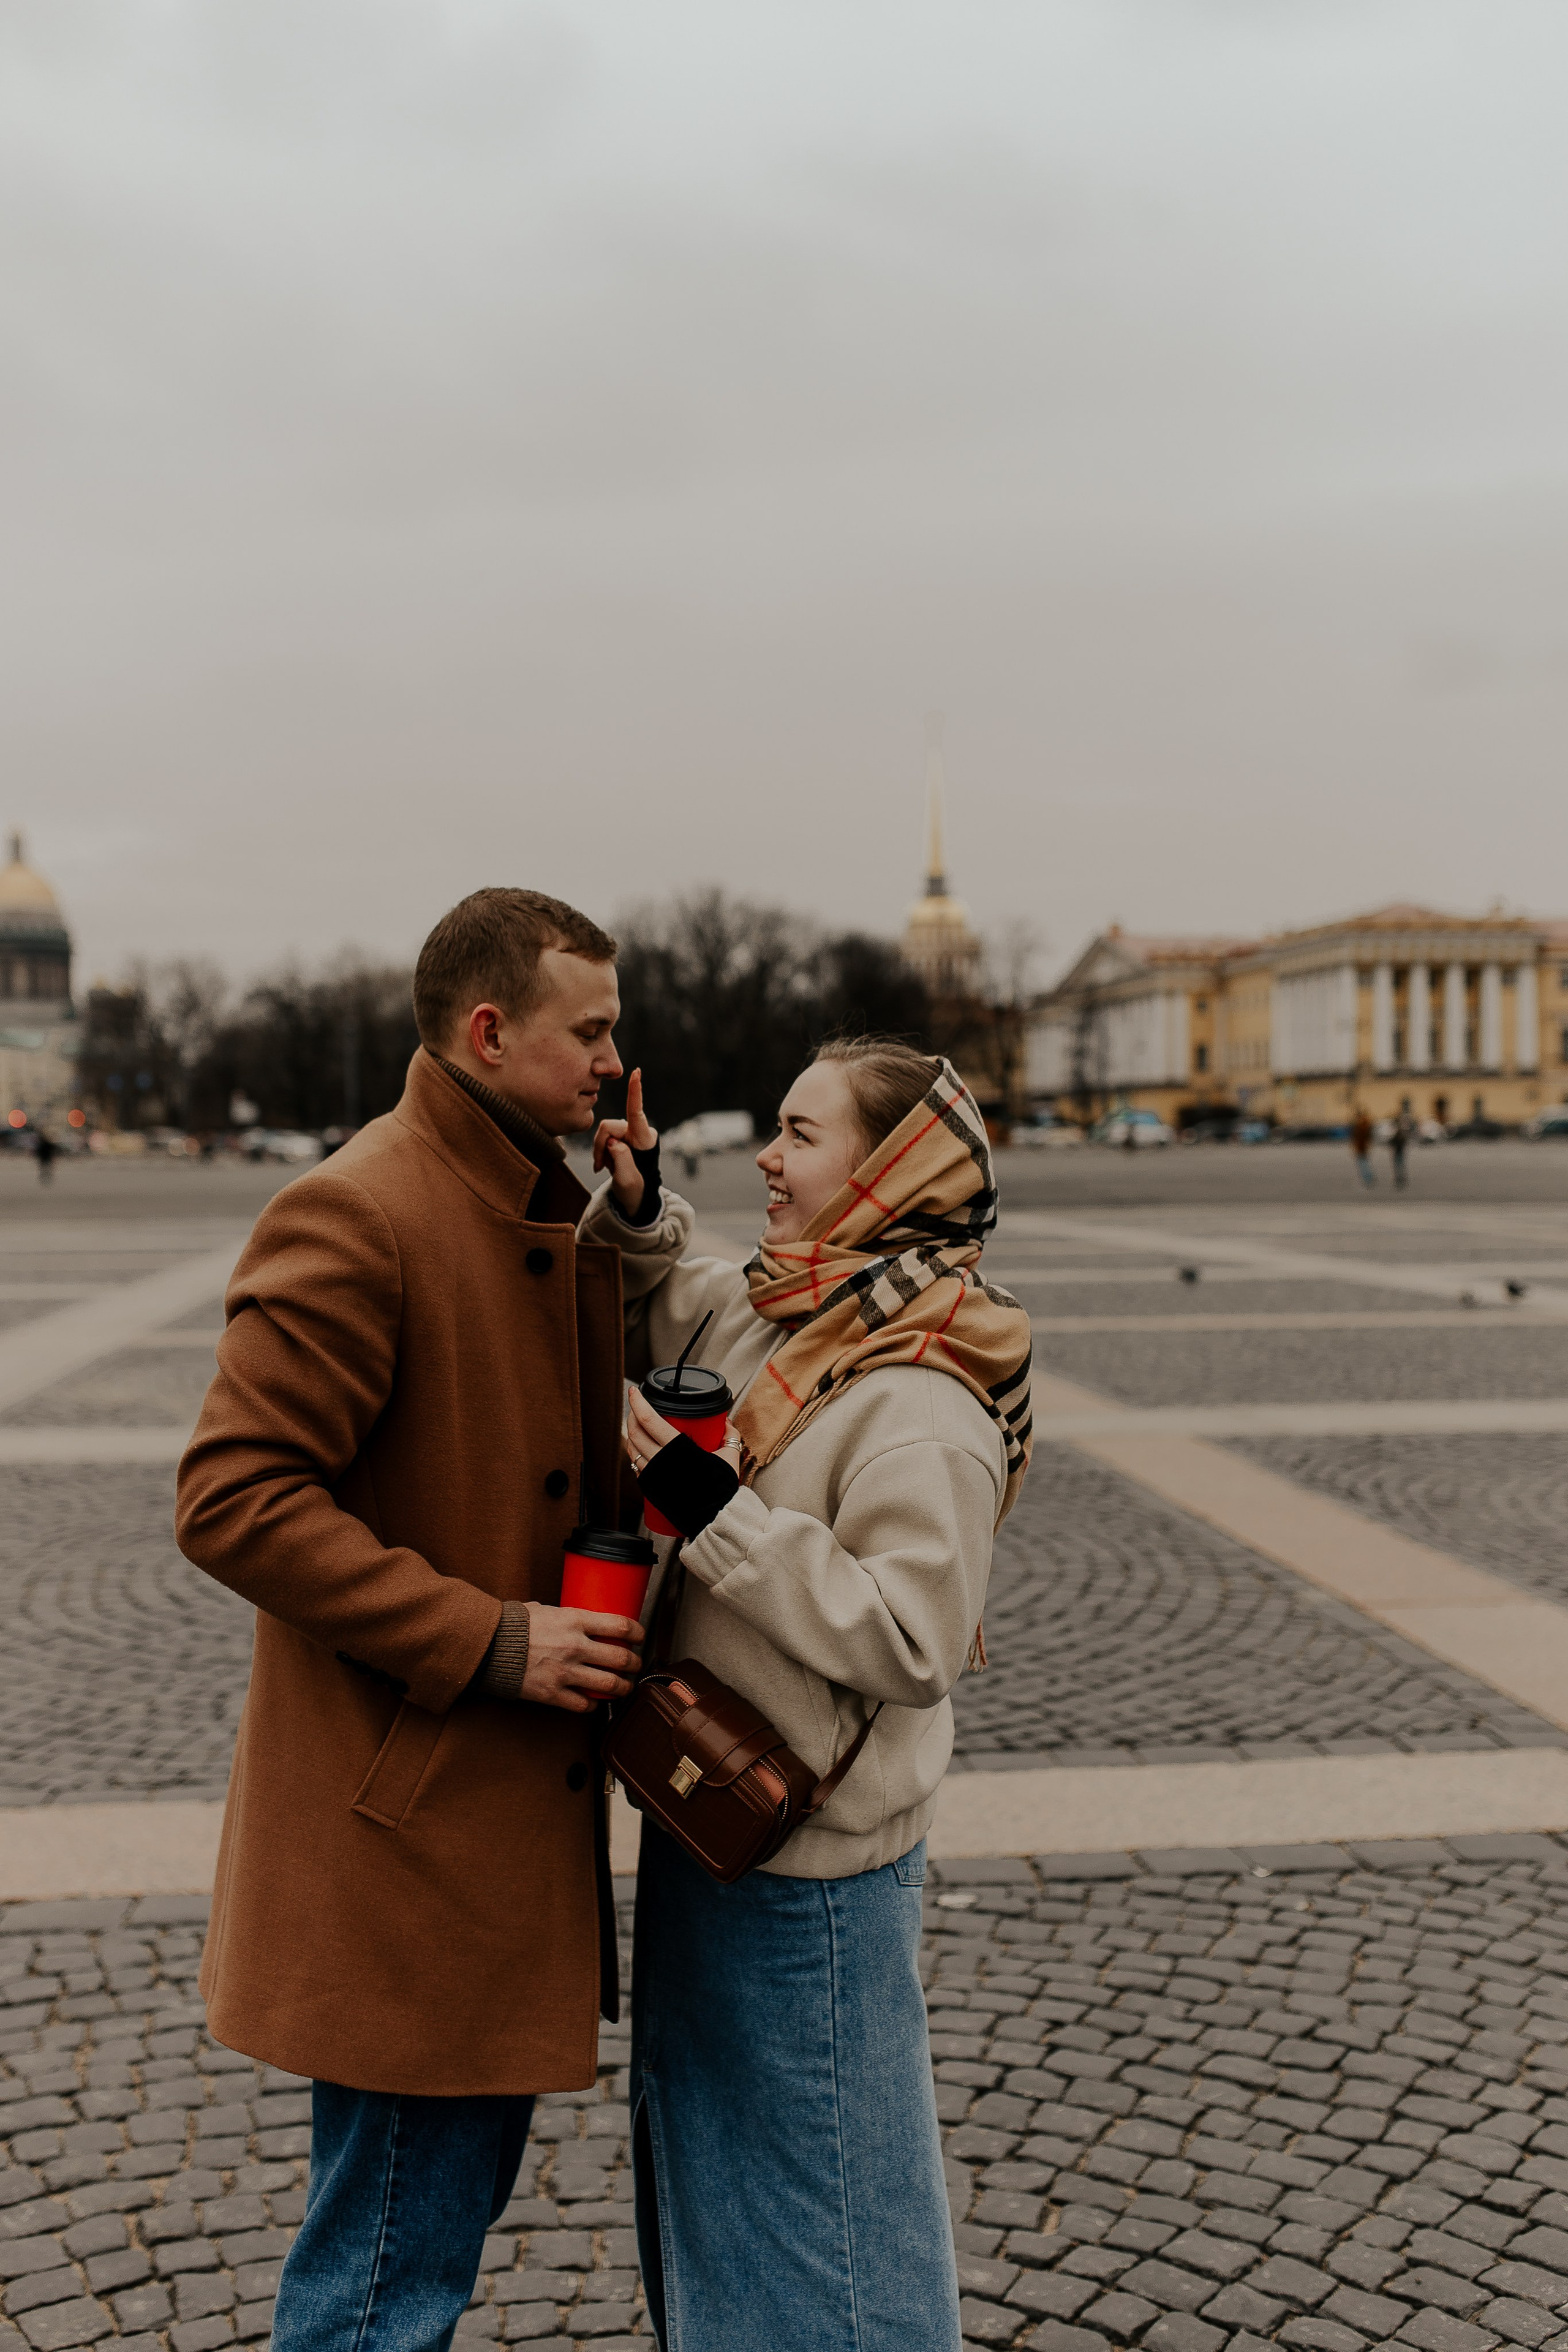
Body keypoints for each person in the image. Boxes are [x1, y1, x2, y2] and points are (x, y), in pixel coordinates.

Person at [175, 888, 650, 2352]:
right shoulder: (365, 1204)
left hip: (463, 1830)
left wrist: (623, 1223)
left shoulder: (521, 1189)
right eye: (590, 1032)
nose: (613, 1063)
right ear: (489, 1029)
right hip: (411, 1839)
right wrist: (491, 1634)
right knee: (384, 2277)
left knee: (408, 2250)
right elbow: (232, 1495)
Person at [587, 1039, 1034, 2352]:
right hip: (709, 1822)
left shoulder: (920, 1391)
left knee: (835, 2223)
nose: (768, 1160)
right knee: (723, 2191)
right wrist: (634, 1203)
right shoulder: (796, 1307)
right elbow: (687, 1295)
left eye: (799, 1134)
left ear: (888, 1171)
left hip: (812, 1879)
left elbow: (912, 1638)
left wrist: (708, 1512)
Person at [1390, 1101, 1416, 1189]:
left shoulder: (1398, 1133)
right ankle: (1401, 1179)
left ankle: (1400, 1179)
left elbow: (1396, 1142)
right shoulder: (1400, 1133)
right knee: (1400, 1166)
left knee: (1399, 1166)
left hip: (1398, 1151)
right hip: (1399, 1151)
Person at [1350, 1104, 1375, 1188]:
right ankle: (1368, 1179)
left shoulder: (1362, 1125)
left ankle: (1368, 1179)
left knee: (1363, 1164)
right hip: (1362, 1147)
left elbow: (1360, 1137)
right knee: (1364, 1164)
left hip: (1362, 1147)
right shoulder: (1364, 1124)